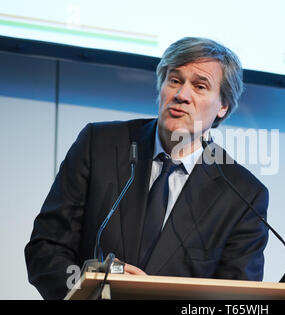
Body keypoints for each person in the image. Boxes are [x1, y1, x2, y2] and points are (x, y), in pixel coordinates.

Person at [24, 37, 269, 300]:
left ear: (223, 106)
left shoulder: (243, 195)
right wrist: (89, 289)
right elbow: (46, 249)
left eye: (199, 86)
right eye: (174, 80)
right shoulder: (99, 145)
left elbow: (236, 301)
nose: (181, 95)